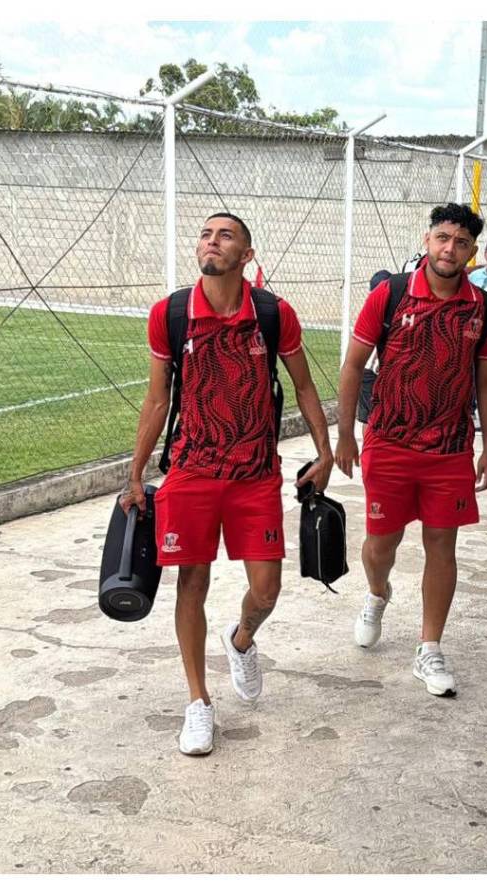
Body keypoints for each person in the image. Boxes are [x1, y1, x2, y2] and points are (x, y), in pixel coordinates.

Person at [121, 212, 334, 756]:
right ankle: (198, 703)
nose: (211, 242)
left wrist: (325, 450)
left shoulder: (273, 313)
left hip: (254, 475)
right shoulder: (170, 314)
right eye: (205, 234)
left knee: (267, 591)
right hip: (191, 472)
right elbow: (157, 399)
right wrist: (136, 474)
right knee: (191, 584)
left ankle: (241, 641)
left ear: (246, 255)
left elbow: (304, 386)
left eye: (225, 235)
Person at [335, 203, 487, 698]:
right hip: (389, 441)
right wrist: (345, 435)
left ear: (472, 252)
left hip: (450, 447)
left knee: (442, 544)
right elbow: (353, 365)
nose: (450, 249)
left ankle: (429, 647)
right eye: (443, 238)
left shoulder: (484, 307)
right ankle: (377, 593)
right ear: (427, 240)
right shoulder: (390, 294)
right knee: (380, 546)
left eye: (461, 242)